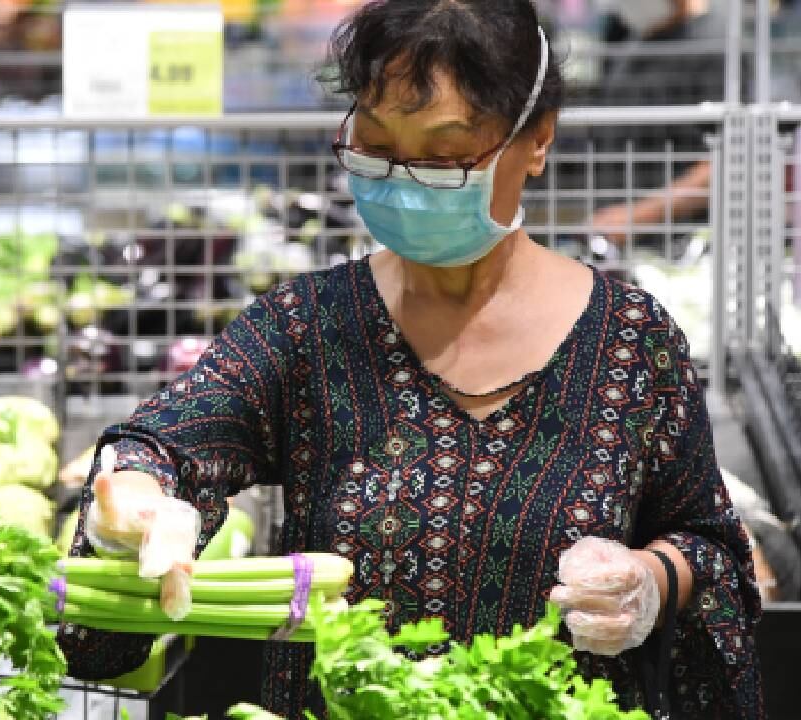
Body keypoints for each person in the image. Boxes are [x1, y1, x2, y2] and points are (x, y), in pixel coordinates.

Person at [59, 1, 764, 718]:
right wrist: (140, 496)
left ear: (537, 139)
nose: (400, 179)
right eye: (374, 146)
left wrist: (651, 578)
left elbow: (711, 546)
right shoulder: (307, 327)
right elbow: (170, 439)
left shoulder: (631, 341)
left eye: (442, 156)